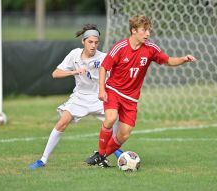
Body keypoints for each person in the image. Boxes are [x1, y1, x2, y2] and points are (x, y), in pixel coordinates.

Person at [84, 15, 197, 168]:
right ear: (133, 31)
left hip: (131, 98)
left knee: (125, 133)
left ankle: (101, 156)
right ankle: (100, 154)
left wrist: (183, 59)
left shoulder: (151, 48)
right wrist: (102, 90)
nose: (148, 34)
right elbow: (104, 67)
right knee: (111, 118)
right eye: (144, 30)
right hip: (114, 91)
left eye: (148, 30)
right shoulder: (120, 47)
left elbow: (169, 60)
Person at [29, 24, 121, 169]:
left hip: (99, 97)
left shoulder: (104, 57)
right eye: (90, 42)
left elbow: (117, 74)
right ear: (83, 41)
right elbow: (56, 73)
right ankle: (42, 160)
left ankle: (114, 151)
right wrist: (75, 71)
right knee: (62, 123)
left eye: (96, 42)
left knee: (114, 120)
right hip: (80, 97)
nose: (93, 45)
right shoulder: (74, 55)